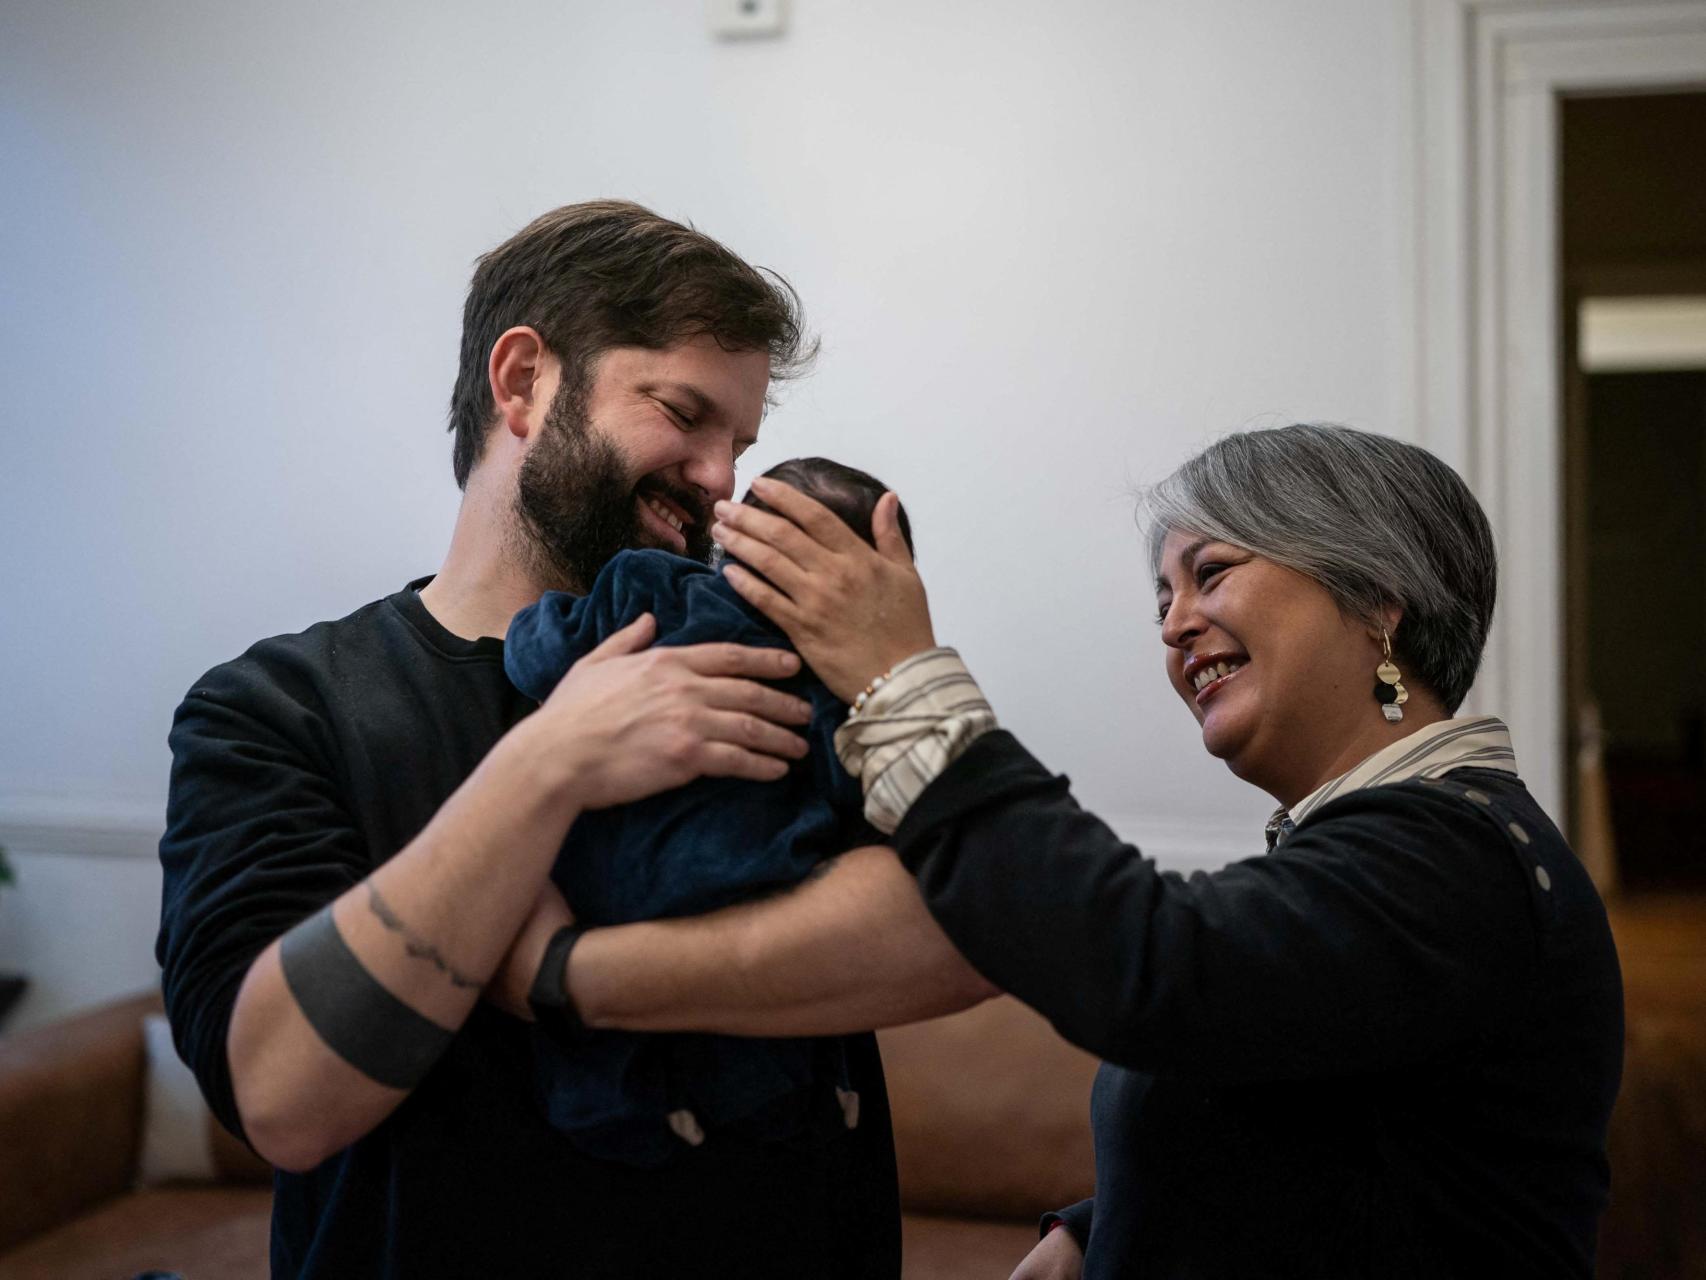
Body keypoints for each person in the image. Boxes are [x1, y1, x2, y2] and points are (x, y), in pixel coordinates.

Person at [534, 424, 1624, 1278]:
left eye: (1210, 571)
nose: (1172, 623)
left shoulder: (1455, 861)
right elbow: (1331, 1121)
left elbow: (1152, 966)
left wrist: (896, 673)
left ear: (1376, 602)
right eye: (1161, 595)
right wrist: (1099, 1230)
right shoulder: (1396, 847)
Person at [154, 201, 983, 1278]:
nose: (720, 478)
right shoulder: (278, 706)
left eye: (738, 442)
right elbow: (283, 1096)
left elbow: (980, 926)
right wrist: (549, 761)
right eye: (684, 412)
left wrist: (563, 971)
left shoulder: (786, 647)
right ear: (522, 382)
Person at [503, 458, 914, 1167]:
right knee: (760, 1047)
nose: (719, 475)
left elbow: (547, 650)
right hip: (753, 881)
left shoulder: (651, 583)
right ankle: (807, 1095)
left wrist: (540, 655)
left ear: (733, 535)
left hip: (619, 875)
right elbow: (863, 795)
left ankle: (629, 1112)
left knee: (598, 1062)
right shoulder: (834, 678)